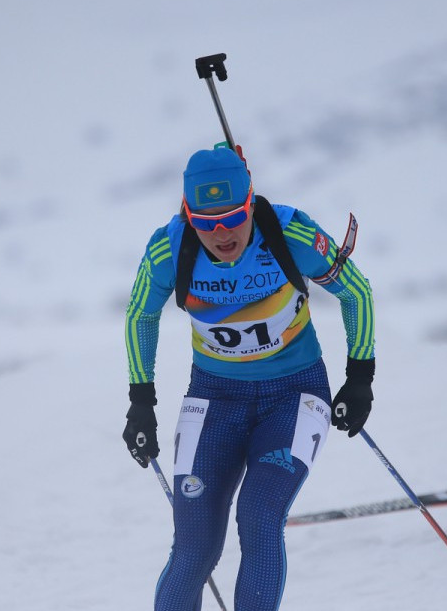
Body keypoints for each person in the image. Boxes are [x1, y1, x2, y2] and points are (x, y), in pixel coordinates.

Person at [122, 145, 376, 610]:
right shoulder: (169, 247)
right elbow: (141, 315)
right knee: (194, 544)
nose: (221, 233)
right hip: (215, 398)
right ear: (187, 215)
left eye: (232, 217)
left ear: (250, 202)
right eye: (205, 221)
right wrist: (141, 402)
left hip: (294, 395)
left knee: (259, 518)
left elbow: (355, 292)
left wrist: (359, 377)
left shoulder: (289, 231)